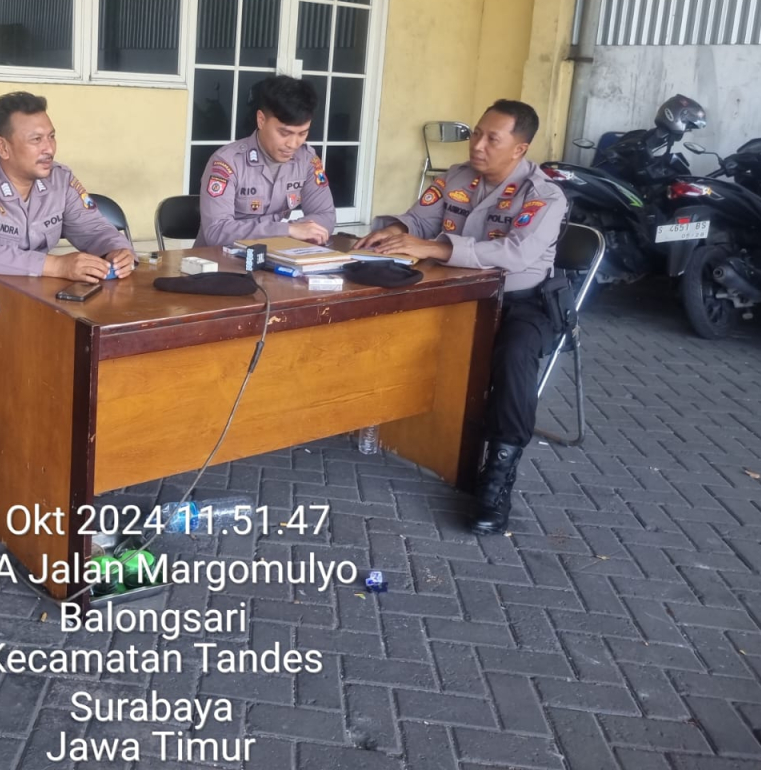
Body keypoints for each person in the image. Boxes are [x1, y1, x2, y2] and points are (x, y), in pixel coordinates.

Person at [355, 99, 567, 535]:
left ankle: (498, 474)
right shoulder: (456, 177)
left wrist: (435, 248)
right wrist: (395, 231)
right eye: (476, 133)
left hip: (519, 301)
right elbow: (420, 219)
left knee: (515, 358)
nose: (478, 145)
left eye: (492, 139)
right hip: (454, 292)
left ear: (519, 149)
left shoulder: (543, 196)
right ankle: (385, 418)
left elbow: (515, 254)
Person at [0, 92, 135, 377]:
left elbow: (94, 229)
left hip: (31, 303)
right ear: (2, 147)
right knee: (10, 365)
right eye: (36, 139)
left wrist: (117, 250)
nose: (49, 148)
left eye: (51, 136)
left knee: (84, 348)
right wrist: (56, 265)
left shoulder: (61, 180)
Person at [196, 75, 336, 247]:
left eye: (302, 134)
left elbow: (326, 215)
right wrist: (287, 230)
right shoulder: (227, 162)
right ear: (261, 120)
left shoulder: (306, 160)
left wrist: (296, 230)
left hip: (275, 254)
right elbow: (217, 232)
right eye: (284, 133)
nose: (293, 144)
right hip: (219, 258)